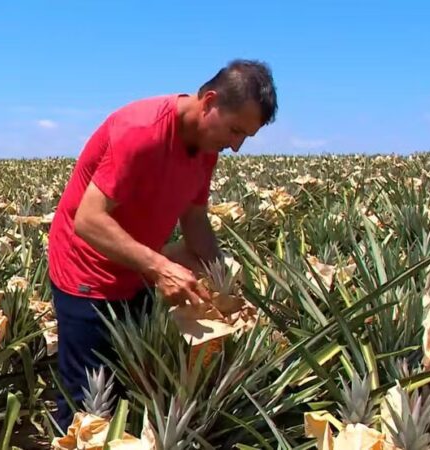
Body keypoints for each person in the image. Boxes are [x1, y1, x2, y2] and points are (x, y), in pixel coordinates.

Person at [46, 59, 278, 430]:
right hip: (86, 274)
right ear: (209, 102)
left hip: (137, 270)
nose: (235, 146)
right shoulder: (142, 132)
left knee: (124, 387)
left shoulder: (205, 146)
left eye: (244, 137)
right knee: (84, 405)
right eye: (235, 130)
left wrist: (227, 285)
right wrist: (160, 267)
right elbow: (88, 221)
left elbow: (196, 221)